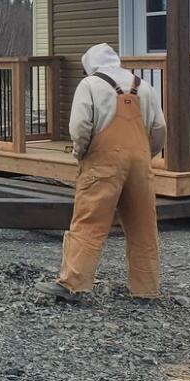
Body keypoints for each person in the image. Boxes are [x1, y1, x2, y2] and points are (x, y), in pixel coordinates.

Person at [36, 43, 167, 302]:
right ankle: (146, 289)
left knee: (89, 222)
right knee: (143, 226)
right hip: (140, 164)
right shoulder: (145, 87)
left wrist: (81, 152)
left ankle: (73, 284)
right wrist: (145, 154)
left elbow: (80, 126)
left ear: (90, 66)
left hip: (103, 162)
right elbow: (159, 128)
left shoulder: (90, 86)